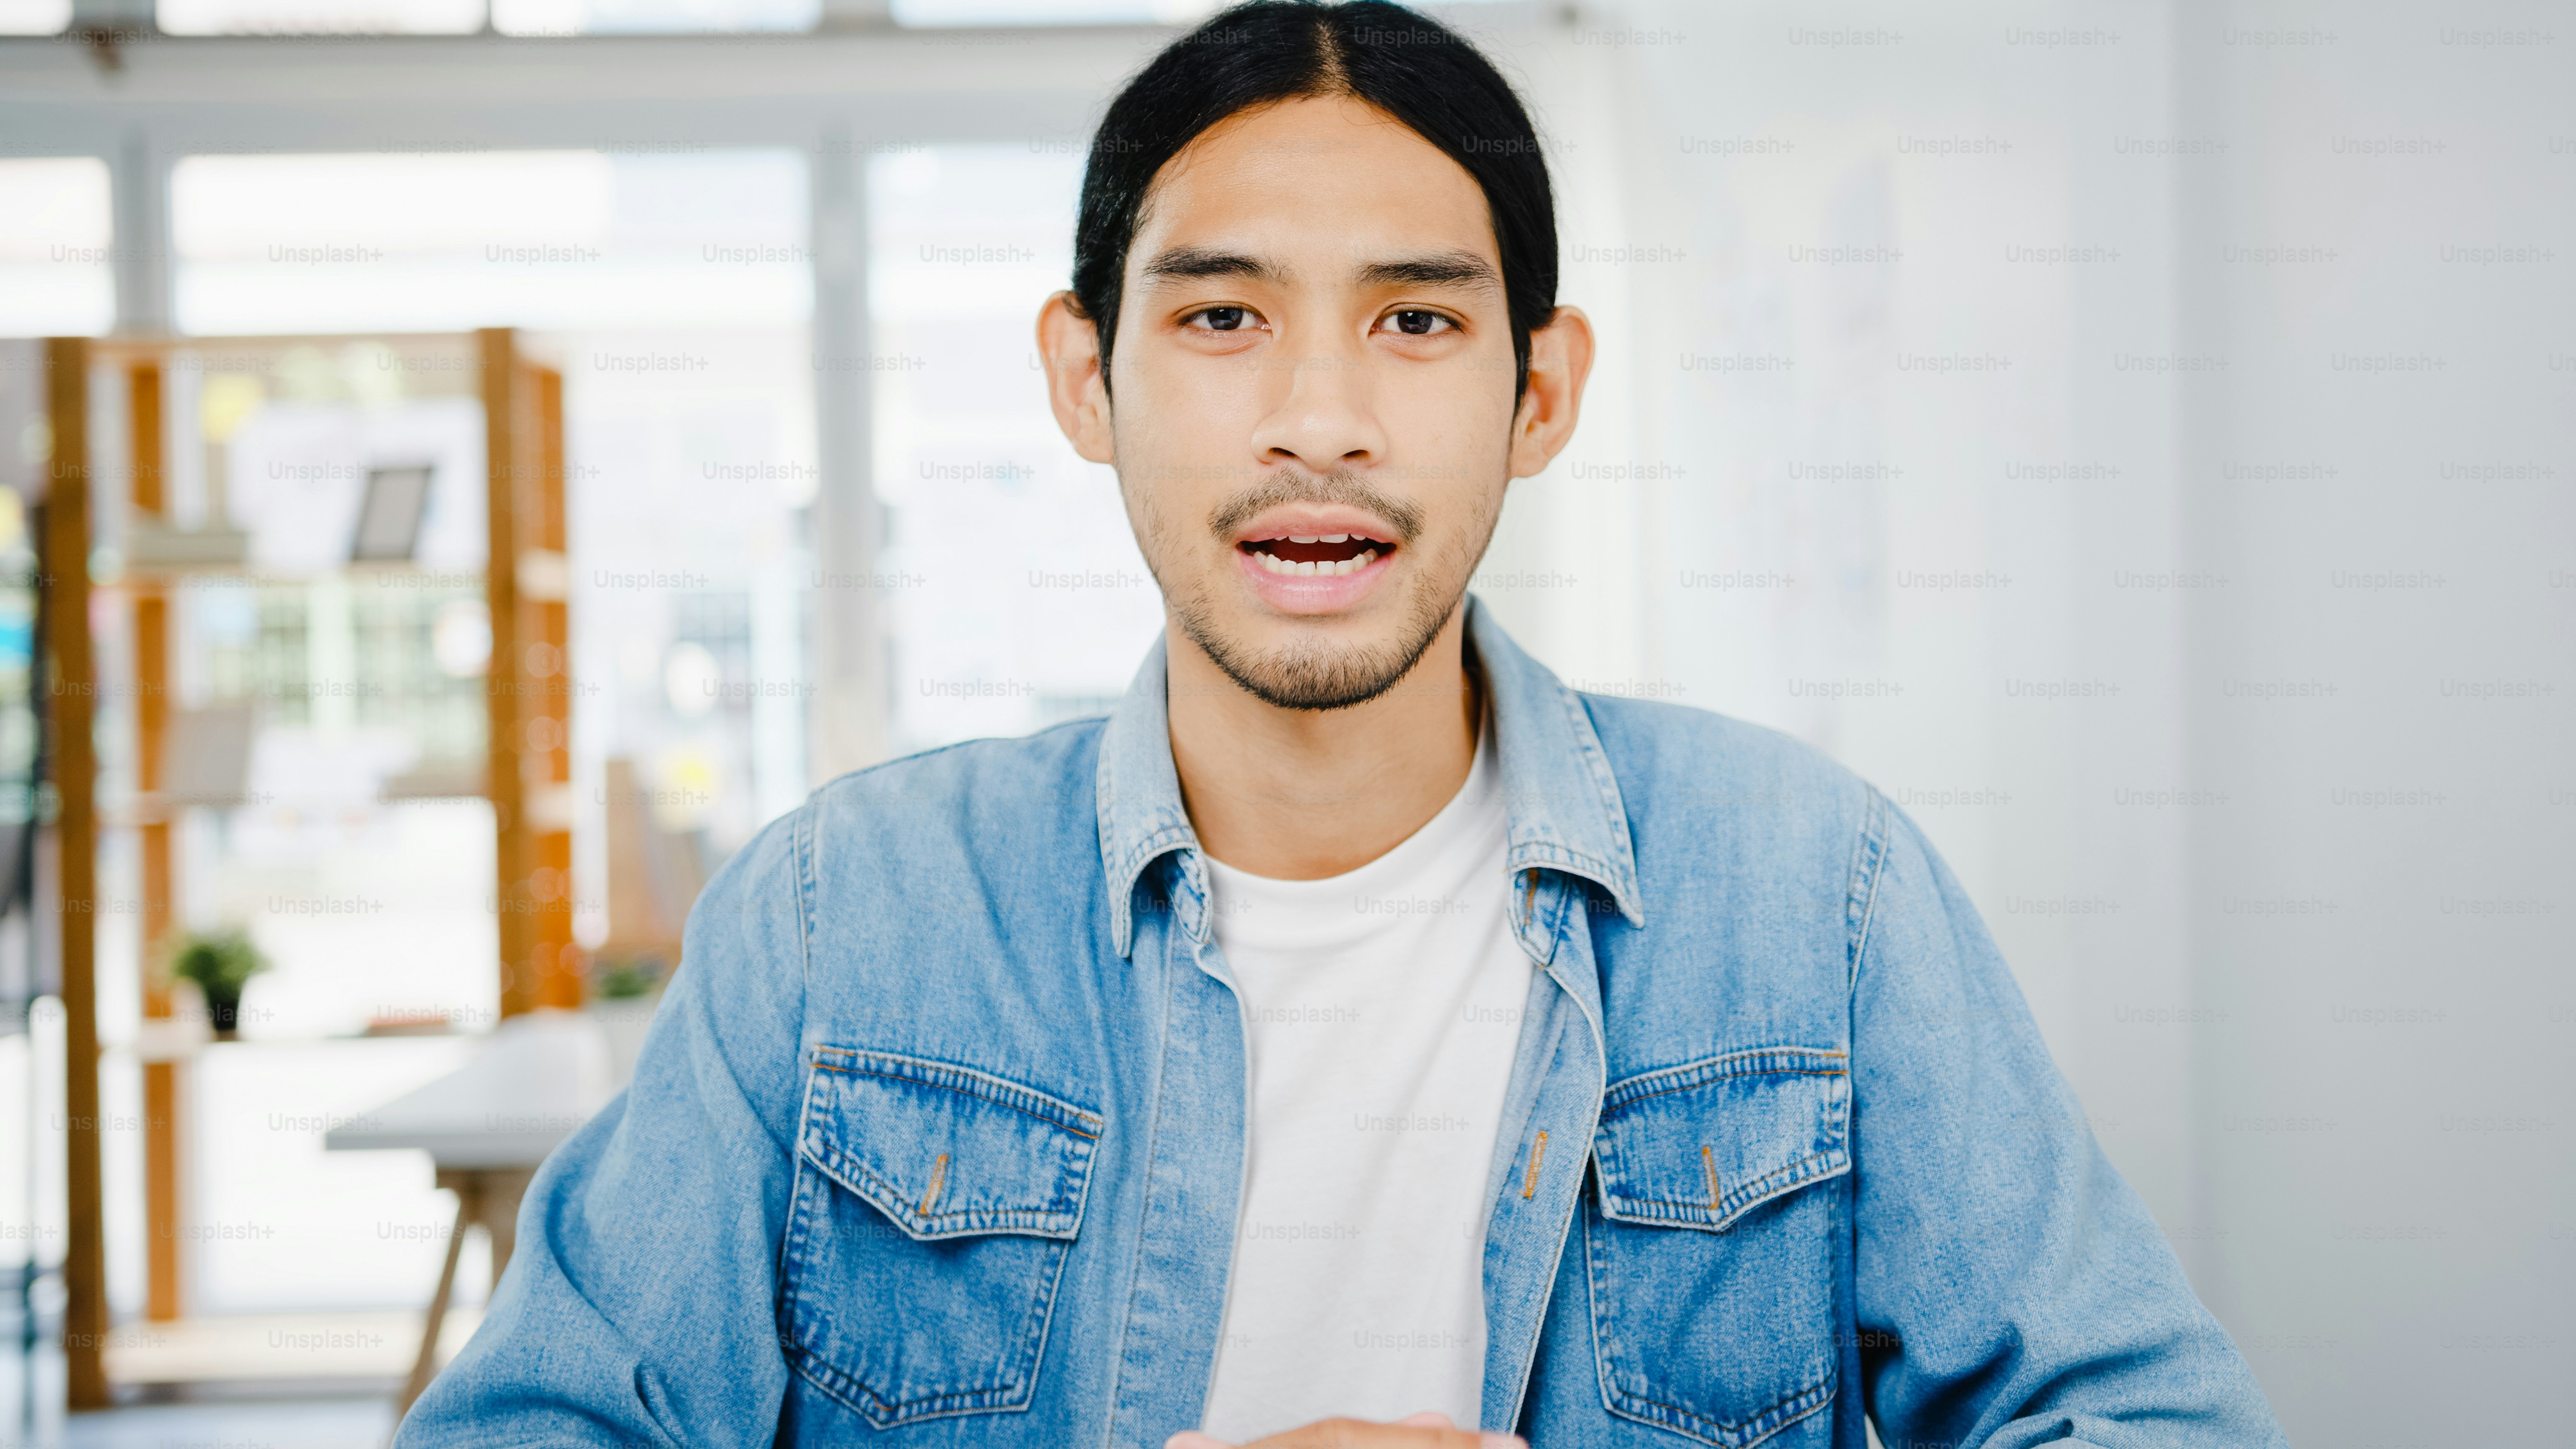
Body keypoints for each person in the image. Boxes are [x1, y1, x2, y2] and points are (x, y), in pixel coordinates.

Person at [400, 3, 2286, 1446]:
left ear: (1543, 389)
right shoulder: (843, 921)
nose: (1321, 419)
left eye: (1416, 324)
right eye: (1224, 322)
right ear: (1086, 375)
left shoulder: (1819, 891)